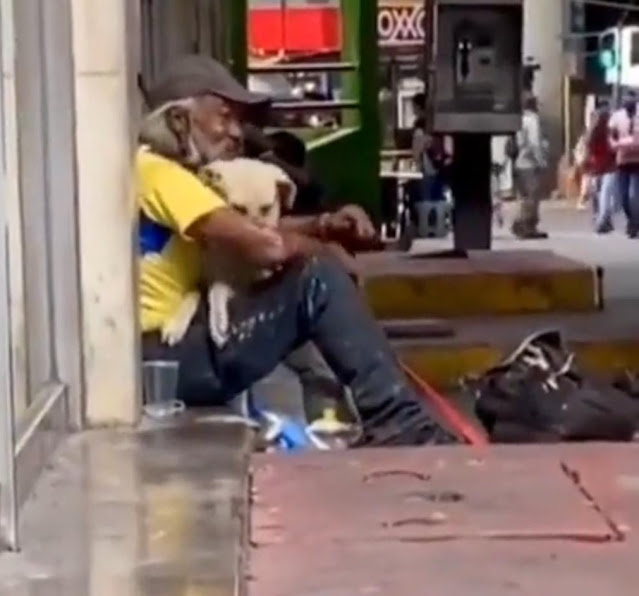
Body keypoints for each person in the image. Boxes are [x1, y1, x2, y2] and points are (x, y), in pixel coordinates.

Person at [138, 55, 452, 447]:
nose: (235, 132)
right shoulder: (159, 173)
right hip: (167, 359)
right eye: (224, 117)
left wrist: (323, 226)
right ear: (179, 119)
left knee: (306, 276)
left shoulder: (175, 175)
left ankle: (363, 415)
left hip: (171, 352)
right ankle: (397, 421)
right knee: (316, 281)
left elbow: (247, 230)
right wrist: (324, 252)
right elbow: (265, 246)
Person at [512, 95, 548, 239]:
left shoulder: (519, 119)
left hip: (518, 162)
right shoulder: (532, 120)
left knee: (523, 196)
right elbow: (535, 143)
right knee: (532, 197)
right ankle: (527, 226)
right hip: (529, 163)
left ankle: (520, 223)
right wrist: (541, 161)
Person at [608, 91, 639, 237]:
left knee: (634, 195)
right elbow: (611, 135)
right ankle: (632, 219)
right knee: (624, 196)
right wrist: (613, 144)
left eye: (632, 100)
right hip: (623, 160)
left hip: (637, 161)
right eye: (627, 100)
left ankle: (634, 224)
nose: (629, 103)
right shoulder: (617, 116)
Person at [584, 104, 617, 233]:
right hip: (609, 167)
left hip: (596, 167)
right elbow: (614, 148)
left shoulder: (592, 133)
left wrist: (587, 163)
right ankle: (603, 220)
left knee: (597, 194)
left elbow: (588, 150)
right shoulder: (610, 132)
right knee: (605, 195)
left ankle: (601, 218)